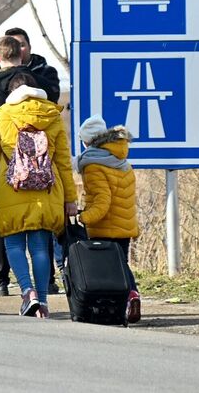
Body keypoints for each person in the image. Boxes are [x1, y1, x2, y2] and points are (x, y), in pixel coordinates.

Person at [0, 72, 76, 319]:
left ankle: (27, 291)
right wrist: (70, 198)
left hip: (10, 187)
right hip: (47, 190)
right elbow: (64, 161)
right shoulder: (52, 115)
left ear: (11, 93)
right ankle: (42, 301)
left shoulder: (2, 115)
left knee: (13, 243)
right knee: (40, 246)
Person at [0, 36, 57, 296]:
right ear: (22, 53)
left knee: (0, 223)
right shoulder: (36, 82)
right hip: (41, 164)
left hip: (7, 165)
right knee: (41, 228)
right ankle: (46, 282)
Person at [76, 115, 142, 323]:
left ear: (89, 141)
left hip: (104, 226)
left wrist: (83, 217)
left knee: (110, 271)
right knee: (122, 265)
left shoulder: (93, 165)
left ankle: (124, 299)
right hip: (125, 223)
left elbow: (102, 202)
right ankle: (132, 295)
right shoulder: (121, 160)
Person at [0, 27, 63, 102]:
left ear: (29, 47)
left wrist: (22, 71)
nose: (15, 49)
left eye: (21, 45)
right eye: (10, 46)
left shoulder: (46, 71)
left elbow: (53, 96)